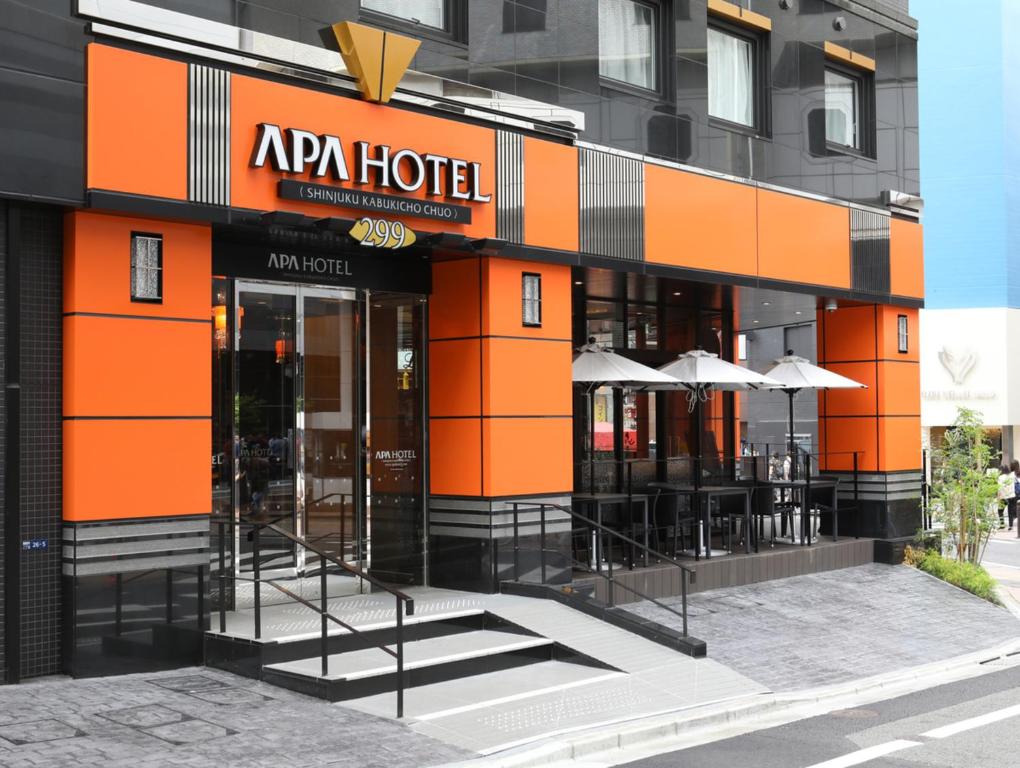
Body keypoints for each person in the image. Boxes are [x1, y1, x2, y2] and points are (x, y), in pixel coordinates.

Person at [997, 463, 1015, 530]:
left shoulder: (1000, 477)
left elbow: (999, 488)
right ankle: (1011, 526)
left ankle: (1002, 525)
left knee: (1000, 511)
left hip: (1003, 497)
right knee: (1010, 512)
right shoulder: (1011, 476)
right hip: (1012, 496)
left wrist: (998, 497)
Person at [1012, 459, 1020, 533]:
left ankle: (1016, 518)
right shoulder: (1018, 472)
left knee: (1015, 506)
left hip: (1015, 492)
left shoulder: (1012, 473)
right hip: (1018, 491)